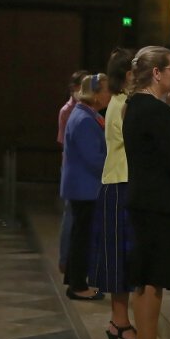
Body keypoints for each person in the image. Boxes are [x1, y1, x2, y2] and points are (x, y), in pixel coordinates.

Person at [123, 46, 170, 339]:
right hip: (158, 204)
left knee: (146, 279)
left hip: (144, 201)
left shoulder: (136, 106)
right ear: (157, 73)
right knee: (151, 280)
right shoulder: (156, 112)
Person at [94, 49, 136, 339]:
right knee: (119, 257)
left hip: (117, 184)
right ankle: (119, 322)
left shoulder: (120, 103)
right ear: (128, 76)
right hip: (120, 184)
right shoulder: (122, 105)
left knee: (121, 256)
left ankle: (118, 321)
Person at [61, 73, 111, 301]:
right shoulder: (83, 119)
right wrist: (113, 165)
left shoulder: (86, 114)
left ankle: (75, 278)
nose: (109, 94)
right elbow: (94, 158)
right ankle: (79, 285)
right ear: (96, 94)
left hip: (83, 185)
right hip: (85, 187)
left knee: (79, 234)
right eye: (106, 90)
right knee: (82, 237)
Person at [58, 69, 89, 275]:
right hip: (75, 168)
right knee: (71, 217)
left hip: (78, 169)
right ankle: (65, 260)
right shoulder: (69, 111)